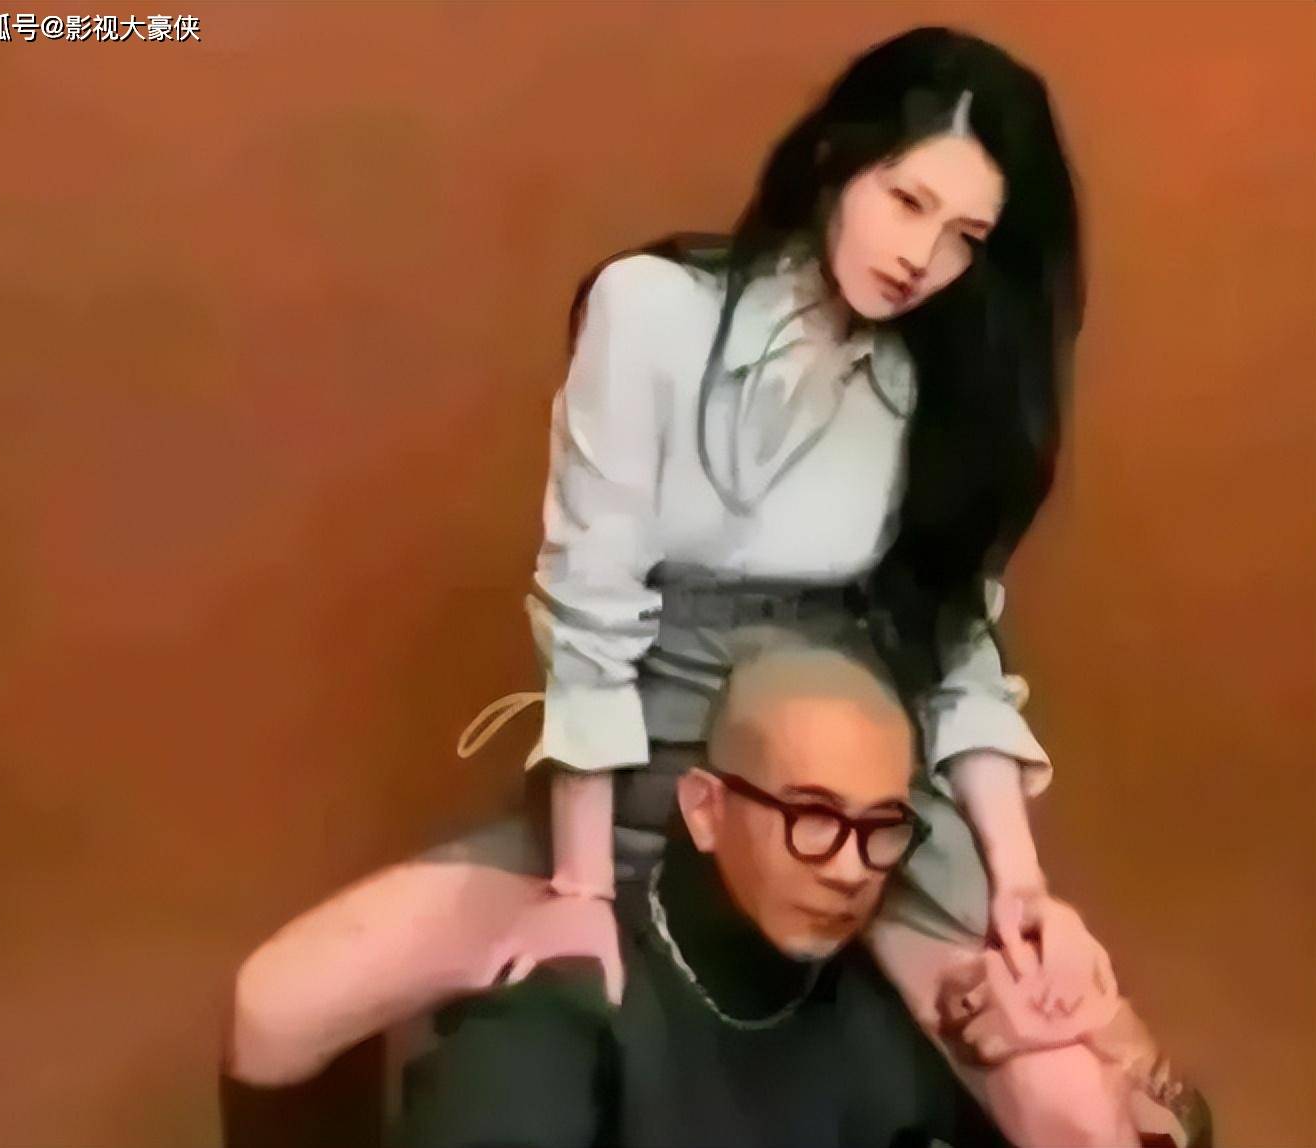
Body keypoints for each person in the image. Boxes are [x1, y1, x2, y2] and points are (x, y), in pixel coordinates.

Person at [222, 25, 1200, 1148]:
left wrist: (1019, 884)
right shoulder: (651, 311)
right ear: (837, 158)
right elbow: (589, 612)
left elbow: (957, 657)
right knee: (277, 1005)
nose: (920, 256)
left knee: (1076, 1115)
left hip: (855, 808)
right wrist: (582, 887)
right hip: (646, 775)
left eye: (965, 237)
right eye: (906, 200)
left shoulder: (943, 384)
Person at [397, 640, 1010, 1148]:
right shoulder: (561, 1010)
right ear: (705, 809)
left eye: (883, 826)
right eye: (813, 816)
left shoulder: (889, 1020)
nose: (851, 870)